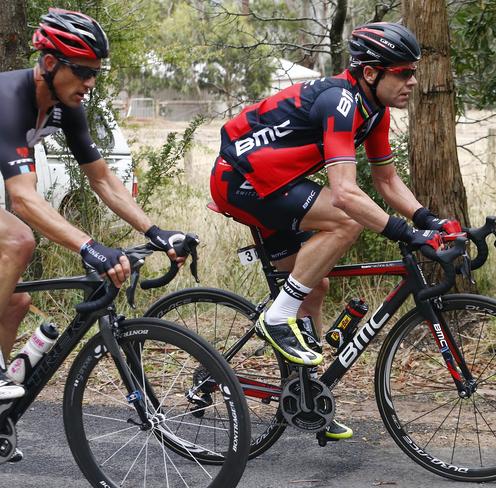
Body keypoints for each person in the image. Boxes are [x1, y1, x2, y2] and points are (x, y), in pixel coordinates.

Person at [210, 22, 460, 440]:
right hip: (241, 181)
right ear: (371, 73)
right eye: (403, 72)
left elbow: (387, 182)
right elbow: (344, 194)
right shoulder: (339, 102)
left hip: (273, 184)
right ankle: (278, 317)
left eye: (412, 71)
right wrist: (405, 234)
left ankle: (306, 398)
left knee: (315, 284)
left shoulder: (374, 111)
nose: (412, 81)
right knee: (345, 222)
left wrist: (429, 222)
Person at [0, 9, 186, 406]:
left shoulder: (65, 106)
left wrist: (154, 231)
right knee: (18, 239)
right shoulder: (11, 98)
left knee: (14, 302)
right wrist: (89, 247)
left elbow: (102, 179)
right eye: (83, 70)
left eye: (95, 72)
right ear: (50, 63)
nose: (90, 82)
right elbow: (23, 199)